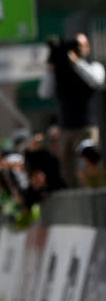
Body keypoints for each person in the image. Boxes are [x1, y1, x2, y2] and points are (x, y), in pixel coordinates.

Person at [38, 33, 106, 187]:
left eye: (80, 45)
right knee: (68, 170)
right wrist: (51, 68)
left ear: (87, 48)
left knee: (88, 165)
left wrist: (76, 62)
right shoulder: (60, 71)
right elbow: (43, 93)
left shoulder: (93, 66)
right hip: (66, 128)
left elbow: (97, 81)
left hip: (86, 126)